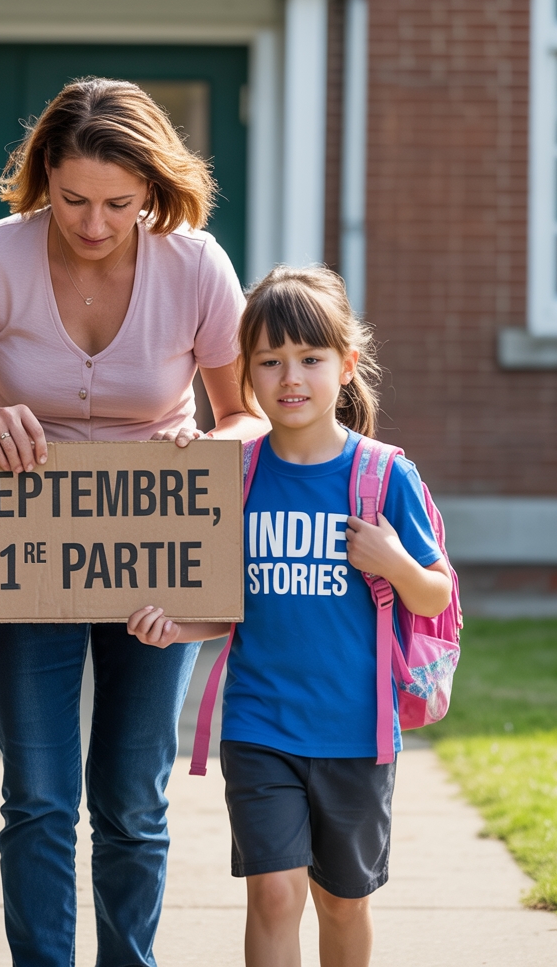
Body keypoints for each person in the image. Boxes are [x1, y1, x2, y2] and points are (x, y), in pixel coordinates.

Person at [0, 77, 263, 967]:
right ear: (44, 179)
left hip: (157, 541)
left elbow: (244, 415)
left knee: (134, 798)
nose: (94, 223)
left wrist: (216, 453)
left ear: (153, 187)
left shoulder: (196, 264)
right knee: (37, 794)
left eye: (117, 203)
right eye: (72, 200)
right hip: (28, 541)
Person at [127, 265, 452, 967]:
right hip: (260, 723)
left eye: (310, 359)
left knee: (343, 901)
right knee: (274, 893)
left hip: (355, 731)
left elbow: (435, 595)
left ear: (347, 365)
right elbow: (232, 604)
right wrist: (179, 627)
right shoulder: (236, 474)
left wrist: (394, 563)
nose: (290, 377)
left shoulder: (383, 475)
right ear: (245, 372)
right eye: (269, 362)